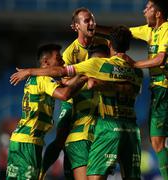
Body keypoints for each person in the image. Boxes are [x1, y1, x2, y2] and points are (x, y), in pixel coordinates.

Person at [10, 25, 143, 180]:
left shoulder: (97, 68)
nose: (62, 61)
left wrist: (29, 71)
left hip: (103, 133)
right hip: (86, 136)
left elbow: (63, 74)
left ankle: (41, 173)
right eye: (58, 59)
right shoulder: (134, 71)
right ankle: (41, 173)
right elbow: (65, 87)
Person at [97, 1, 168, 179]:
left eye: (148, 7)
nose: (144, 10)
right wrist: (93, 28)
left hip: (166, 89)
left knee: (158, 143)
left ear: (157, 13)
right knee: (157, 142)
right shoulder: (151, 30)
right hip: (159, 90)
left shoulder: (167, 28)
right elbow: (120, 33)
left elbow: (160, 59)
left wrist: (135, 63)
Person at [39, 7, 109, 180]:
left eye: (93, 19)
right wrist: (86, 77)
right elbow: (64, 82)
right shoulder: (70, 53)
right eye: (87, 20)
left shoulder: (103, 43)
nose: (92, 23)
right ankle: (40, 173)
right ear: (75, 27)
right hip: (74, 99)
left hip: (97, 98)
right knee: (62, 138)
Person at [6, 43, 87, 180]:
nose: (62, 61)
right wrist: (84, 78)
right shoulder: (44, 79)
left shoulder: (39, 79)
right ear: (46, 62)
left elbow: (66, 84)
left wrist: (82, 74)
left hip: (25, 141)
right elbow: (64, 94)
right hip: (28, 143)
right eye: (58, 57)